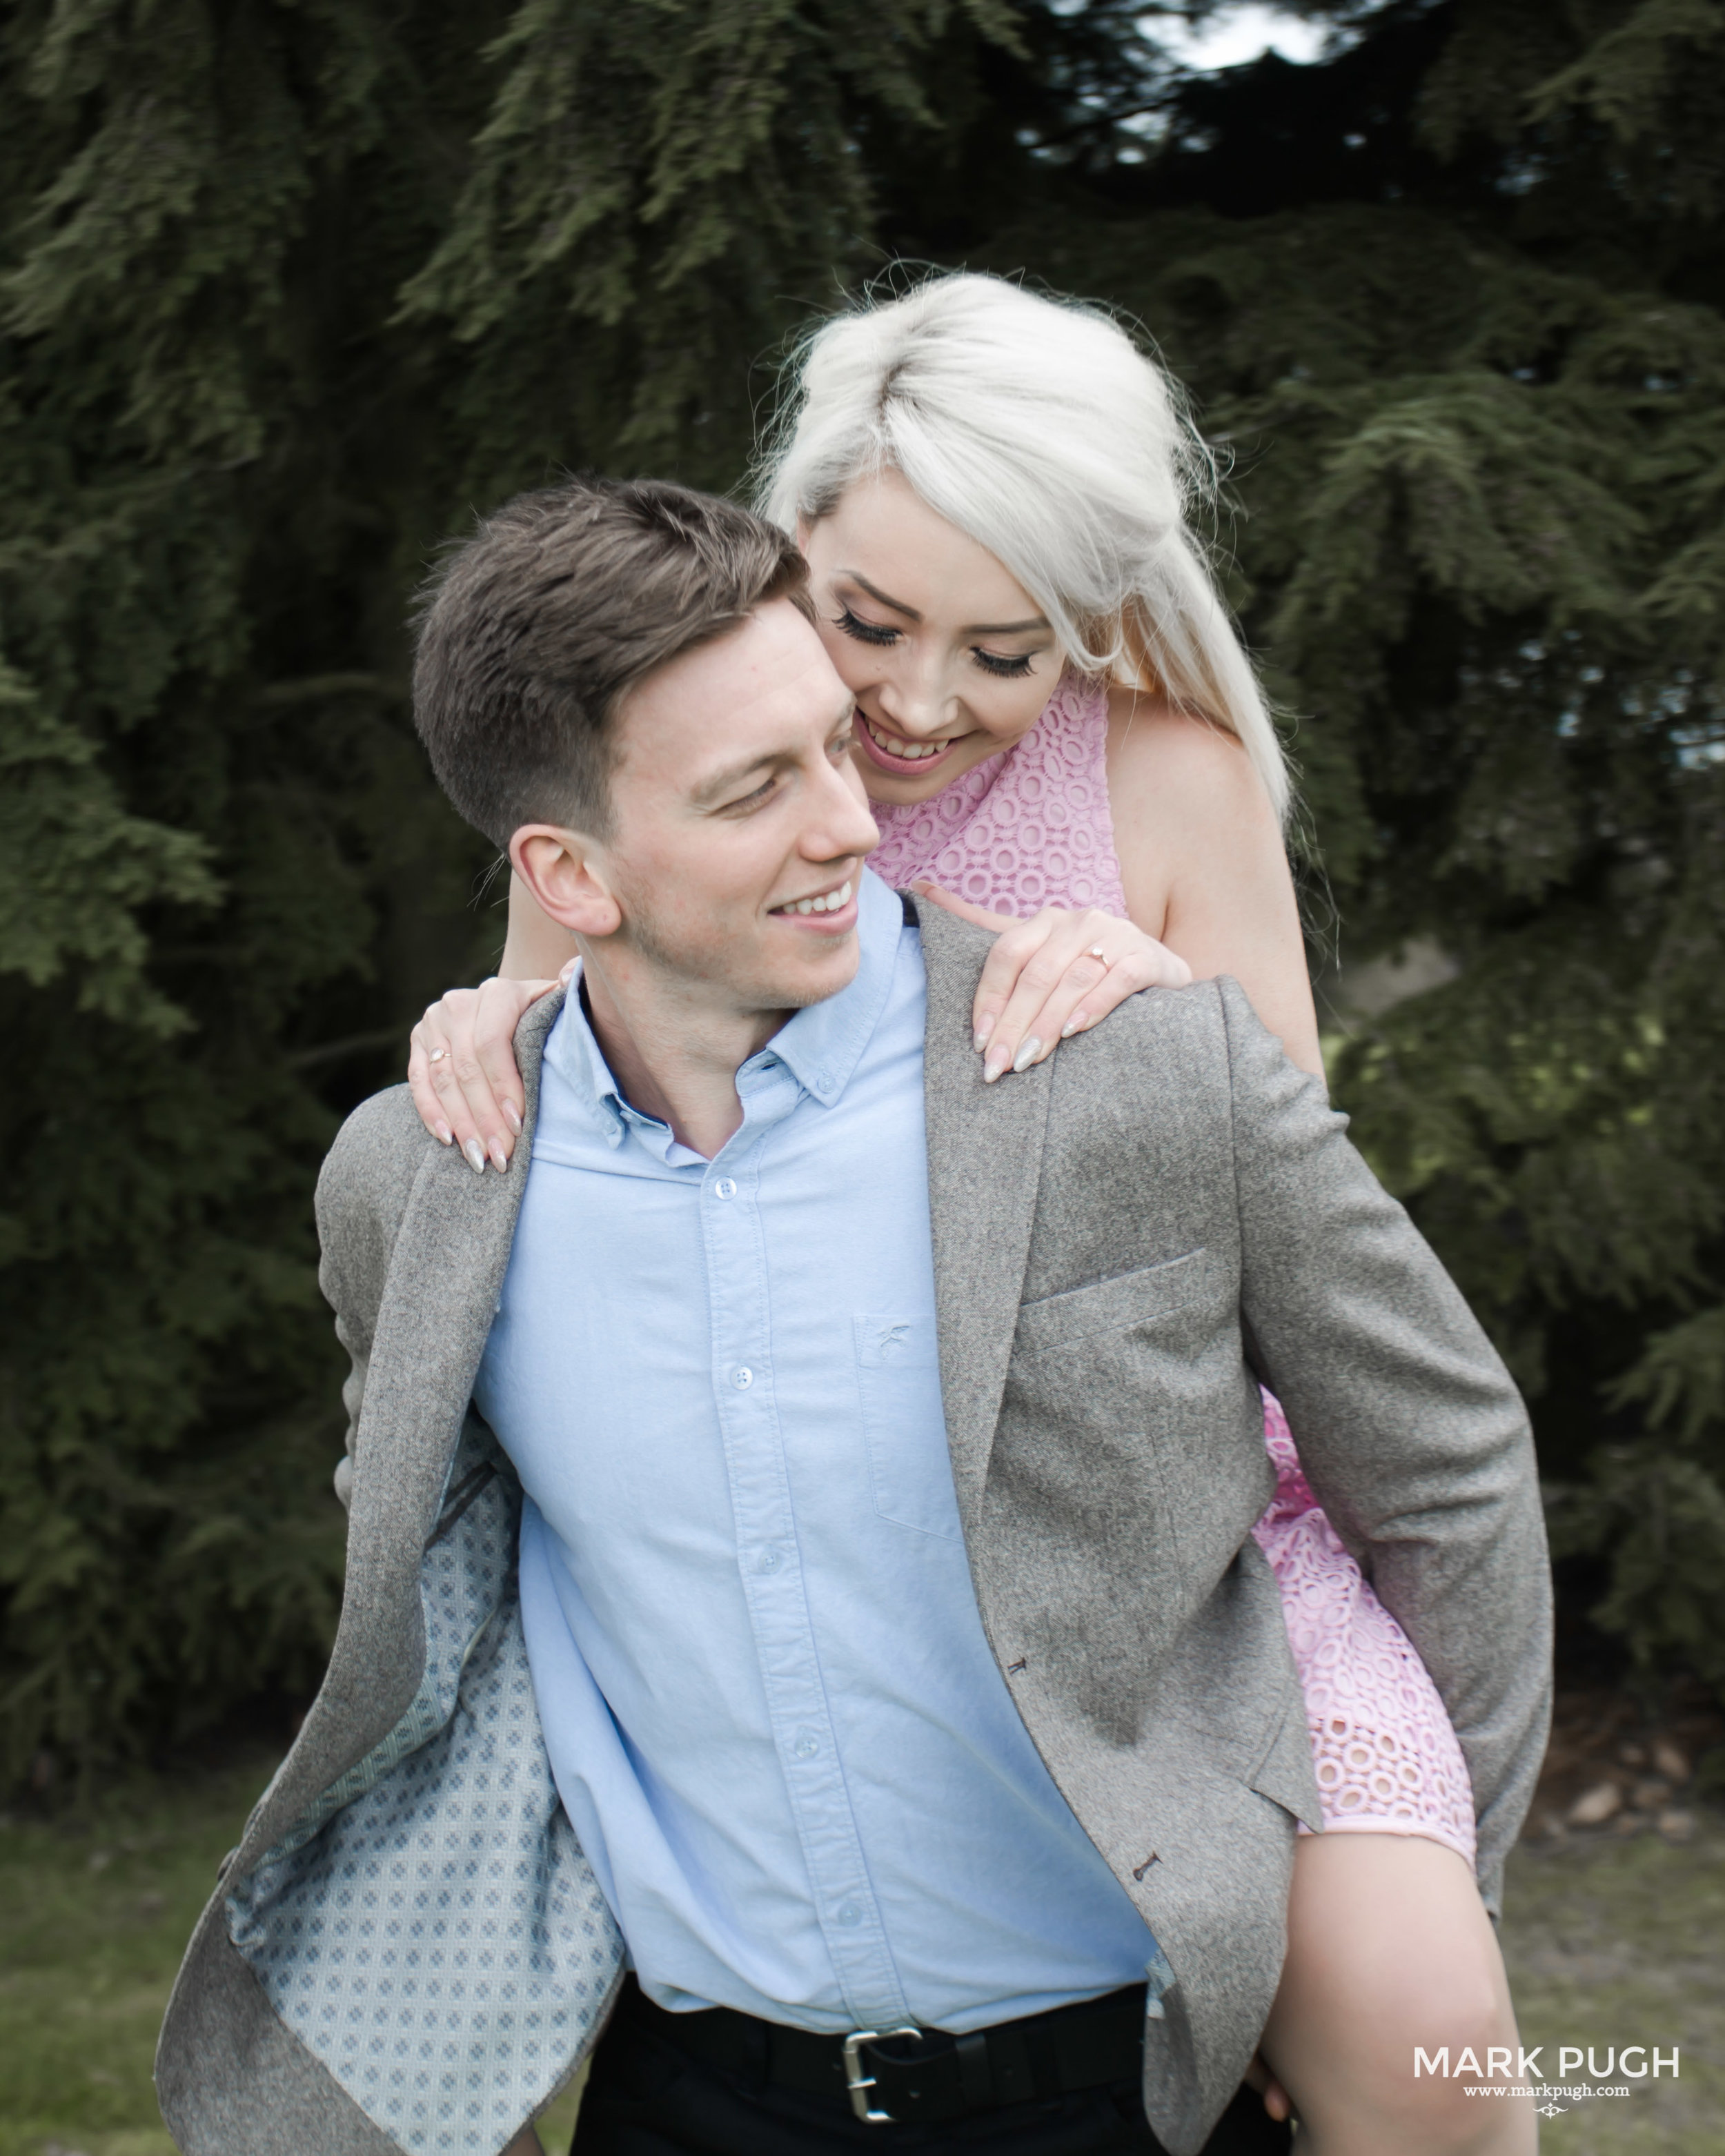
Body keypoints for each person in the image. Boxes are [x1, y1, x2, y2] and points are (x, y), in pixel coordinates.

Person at [156, 473, 1548, 2156]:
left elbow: (1445, 1469)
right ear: (566, 873)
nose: (851, 820)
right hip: (688, 2100)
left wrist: (1415, 1899)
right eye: (758, 789)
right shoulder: (426, 1181)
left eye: (832, 746)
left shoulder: (1140, 1070)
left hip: (1127, 2099)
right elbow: (437, 1600)